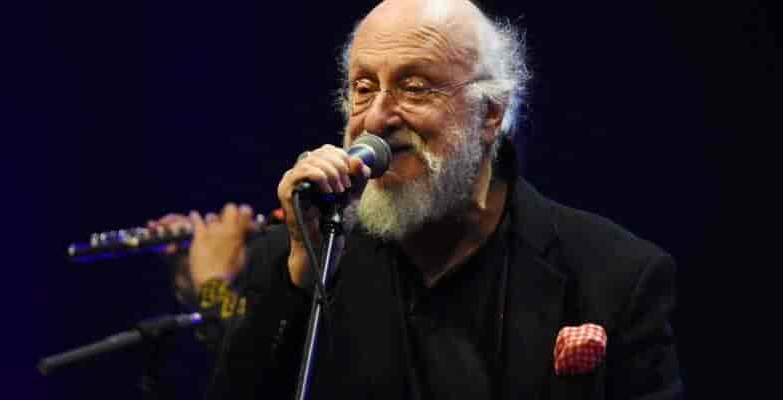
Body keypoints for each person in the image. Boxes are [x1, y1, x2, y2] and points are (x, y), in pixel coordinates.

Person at [154, 0, 683, 398]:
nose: (377, 118)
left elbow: (221, 315)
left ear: (490, 113)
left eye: (415, 87)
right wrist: (273, 280)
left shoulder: (615, 275)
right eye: (363, 87)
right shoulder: (303, 250)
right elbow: (240, 363)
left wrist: (210, 288)